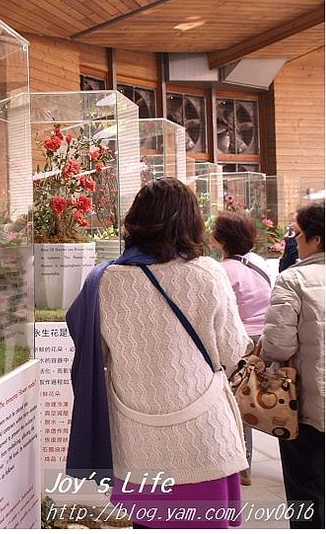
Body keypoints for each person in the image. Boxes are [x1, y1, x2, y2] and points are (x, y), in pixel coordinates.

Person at [66, 178, 251, 528]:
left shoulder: (103, 282)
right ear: (191, 222)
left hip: (138, 438)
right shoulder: (207, 273)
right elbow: (231, 349)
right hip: (203, 434)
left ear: (136, 221)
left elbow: (95, 356)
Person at [260, 202, 325, 529]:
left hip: (309, 405)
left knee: (306, 488)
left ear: (314, 240)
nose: (293, 241)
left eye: (297, 234)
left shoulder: (294, 279)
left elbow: (278, 346)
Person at [211, 211, 273, 486]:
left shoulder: (224, 270)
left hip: (243, 341)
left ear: (221, 238)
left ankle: (242, 467)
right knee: (249, 396)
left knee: (238, 402)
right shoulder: (258, 262)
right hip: (264, 338)